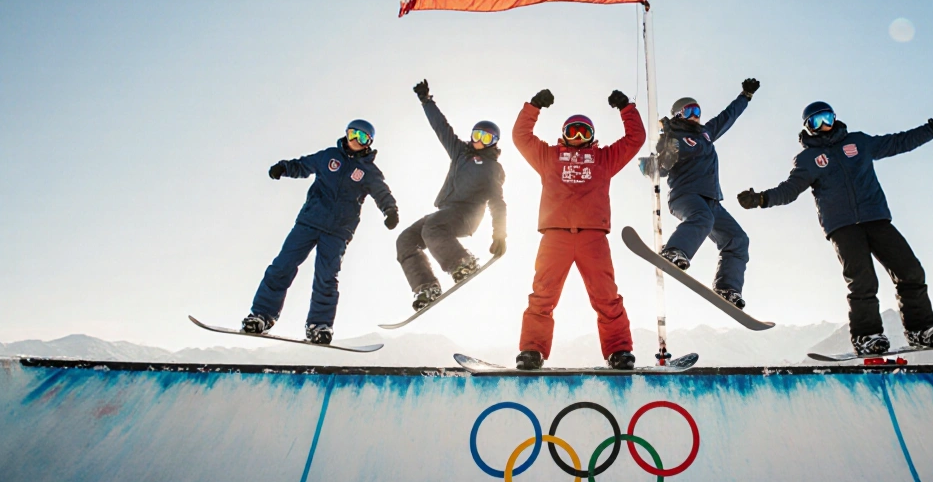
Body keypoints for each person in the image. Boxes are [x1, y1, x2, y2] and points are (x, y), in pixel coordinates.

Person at [737, 101, 933, 356]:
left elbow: (899, 142)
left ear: (835, 118)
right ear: (807, 128)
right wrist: (762, 199)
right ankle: (867, 335)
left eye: (827, 118)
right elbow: (790, 189)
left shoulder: (859, 142)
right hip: (842, 226)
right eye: (815, 122)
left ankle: (921, 329)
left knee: (909, 269)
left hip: (875, 217)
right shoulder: (808, 159)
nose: (823, 126)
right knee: (863, 280)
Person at [511, 88, 646, 370]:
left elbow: (635, 140)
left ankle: (619, 351)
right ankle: (531, 351)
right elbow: (521, 137)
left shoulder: (604, 159)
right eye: (572, 132)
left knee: (606, 295)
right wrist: (533, 107)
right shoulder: (549, 157)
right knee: (543, 295)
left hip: (592, 236)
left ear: (593, 137)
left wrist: (626, 109)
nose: (578, 138)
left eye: (584, 133)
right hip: (555, 235)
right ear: (563, 134)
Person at [242, 120, 399, 344]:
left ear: (369, 143)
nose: (356, 140)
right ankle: (261, 316)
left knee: (326, 278)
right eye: (353, 133)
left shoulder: (369, 171)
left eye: (363, 137)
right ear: (346, 134)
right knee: (282, 266)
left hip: (337, 232)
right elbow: (303, 165)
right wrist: (284, 168)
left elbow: (382, 193)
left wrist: (390, 210)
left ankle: (319, 325)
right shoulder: (329, 156)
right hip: (309, 222)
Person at [648, 78, 760, 309]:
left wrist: (745, 96)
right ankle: (674, 251)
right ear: (679, 114)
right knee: (702, 219)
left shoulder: (706, 134)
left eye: (698, 110)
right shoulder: (671, 137)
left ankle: (727, 287)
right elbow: (658, 169)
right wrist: (665, 156)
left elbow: (727, 117)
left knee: (738, 239)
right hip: (685, 195)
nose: (696, 115)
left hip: (712, 200)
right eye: (690, 110)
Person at [398, 80, 507, 311]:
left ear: (494, 143)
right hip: (445, 213)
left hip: (467, 214)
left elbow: (497, 202)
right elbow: (441, 127)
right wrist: (427, 101)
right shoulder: (459, 152)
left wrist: (499, 233)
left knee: (432, 227)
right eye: (477, 135)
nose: (479, 141)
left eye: (486, 138)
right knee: (406, 239)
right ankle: (426, 286)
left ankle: (463, 262)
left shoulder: (491, 168)